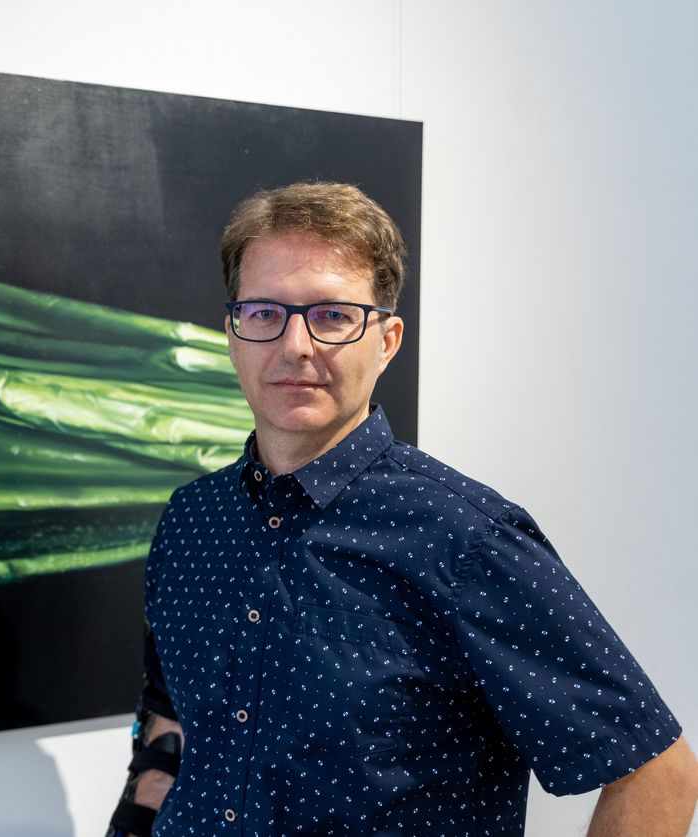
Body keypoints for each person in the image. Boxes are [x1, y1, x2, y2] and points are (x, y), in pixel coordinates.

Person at [106, 183, 698, 836]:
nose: (295, 344)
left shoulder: (466, 538)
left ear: (386, 341)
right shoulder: (192, 520)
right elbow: (168, 719)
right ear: (233, 333)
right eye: (265, 312)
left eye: (333, 316)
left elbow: (657, 770)